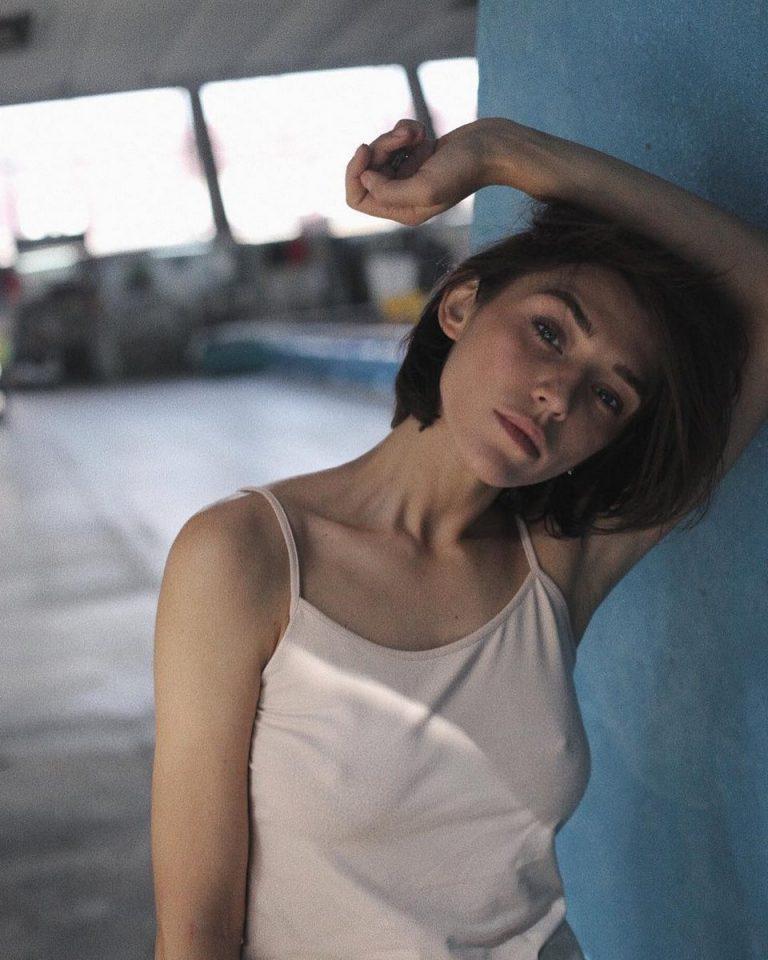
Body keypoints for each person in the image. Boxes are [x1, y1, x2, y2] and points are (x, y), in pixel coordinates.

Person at [150, 117, 768, 960]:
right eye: (550, 331)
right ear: (460, 304)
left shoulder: (558, 570)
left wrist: (499, 153)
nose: (559, 395)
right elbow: (196, 932)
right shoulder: (246, 557)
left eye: (608, 396)